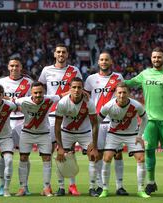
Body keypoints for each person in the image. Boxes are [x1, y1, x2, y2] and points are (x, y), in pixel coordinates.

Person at [125, 47, 163, 196]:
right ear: (151, 58)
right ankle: (151, 183)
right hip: (150, 121)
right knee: (149, 151)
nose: (156, 59)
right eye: (154, 57)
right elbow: (129, 83)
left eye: (159, 57)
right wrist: (112, 80)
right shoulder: (145, 74)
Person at [38, 43, 83, 195]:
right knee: (50, 150)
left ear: (67, 54)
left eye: (63, 52)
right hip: (51, 114)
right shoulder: (46, 70)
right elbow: (40, 90)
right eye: (58, 52)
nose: (61, 54)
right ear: (54, 54)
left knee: (69, 150)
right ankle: (48, 185)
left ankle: (71, 185)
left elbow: (80, 89)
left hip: (69, 114)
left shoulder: (74, 70)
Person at [84, 52, 128, 196]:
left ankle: (119, 186)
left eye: (106, 59)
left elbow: (123, 97)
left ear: (111, 62)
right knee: (99, 154)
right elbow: (86, 98)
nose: (104, 62)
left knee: (118, 154)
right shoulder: (91, 79)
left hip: (115, 121)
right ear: (98, 62)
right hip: (99, 121)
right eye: (101, 59)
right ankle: (100, 185)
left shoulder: (118, 77)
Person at [98, 82, 150, 198]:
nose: (122, 95)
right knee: (107, 158)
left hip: (132, 135)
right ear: (116, 94)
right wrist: (94, 136)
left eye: (124, 92)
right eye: (119, 93)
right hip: (114, 134)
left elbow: (145, 119)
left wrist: (140, 135)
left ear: (129, 93)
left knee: (141, 158)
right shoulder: (108, 106)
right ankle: (105, 189)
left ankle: (141, 190)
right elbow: (97, 120)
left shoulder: (136, 105)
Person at [0, 57, 33, 195]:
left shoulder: (29, 83)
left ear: (21, 67)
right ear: (8, 67)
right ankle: (2, 185)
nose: (14, 68)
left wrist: (16, 103)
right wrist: (10, 101)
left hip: (24, 122)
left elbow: (32, 102)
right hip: (6, 121)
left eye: (17, 65)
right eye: (12, 66)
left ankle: (24, 185)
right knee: (4, 155)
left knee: (24, 156)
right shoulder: (0, 82)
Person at [14, 81, 61, 197]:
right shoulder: (23, 100)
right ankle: (23, 188)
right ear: (31, 92)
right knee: (23, 158)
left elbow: (62, 95)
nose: (38, 95)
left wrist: (77, 92)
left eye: (40, 92)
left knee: (46, 158)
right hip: (27, 132)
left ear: (44, 92)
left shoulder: (49, 99)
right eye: (35, 93)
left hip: (44, 133)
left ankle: (46, 188)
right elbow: (11, 102)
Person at [55, 77, 99, 197]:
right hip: (66, 132)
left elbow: (95, 123)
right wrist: (59, 147)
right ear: (69, 89)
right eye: (74, 87)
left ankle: (92, 188)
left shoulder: (89, 102)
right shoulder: (63, 102)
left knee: (93, 156)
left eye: (79, 87)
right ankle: (61, 188)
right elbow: (57, 125)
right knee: (61, 157)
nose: (76, 90)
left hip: (85, 133)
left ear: (83, 88)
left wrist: (94, 145)